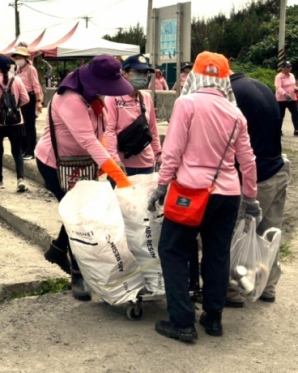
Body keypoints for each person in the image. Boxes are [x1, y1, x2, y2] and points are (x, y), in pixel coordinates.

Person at [149, 51, 259, 343]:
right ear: (225, 78)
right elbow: (247, 160)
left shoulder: (187, 104)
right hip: (228, 194)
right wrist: (251, 197)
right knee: (217, 253)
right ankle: (213, 318)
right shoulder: (236, 113)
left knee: (173, 251)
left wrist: (161, 185)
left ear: (195, 75)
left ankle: (182, 322)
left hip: (190, 191)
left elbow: (172, 150)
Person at [35, 55, 134, 301]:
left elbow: (103, 133)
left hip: (82, 163)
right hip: (55, 163)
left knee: (78, 212)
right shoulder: (70, 99)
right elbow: (87, 139)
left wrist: (108, 162)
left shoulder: (95, 98)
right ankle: (77, 273)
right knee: (78, 216)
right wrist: (118, 175)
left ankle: (57, 250)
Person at [225, 70, 289, 306]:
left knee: (237, 234)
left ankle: (232, 291)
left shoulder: (232, 95)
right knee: (269, 233)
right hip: (277, 170)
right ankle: (267, 287)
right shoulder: (260, 86)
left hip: (254, 177)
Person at [104, 54, 161, 176]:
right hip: (123, 165)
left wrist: (158, 154)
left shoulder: (146, 97)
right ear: (124, 73)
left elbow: (153, 130)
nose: (142, 76)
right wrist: (115, 160)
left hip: (146, 165)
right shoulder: (113, 98)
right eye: (137, 72)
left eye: (145, 73)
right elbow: (109, 131)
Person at [0, 55, 30, 193]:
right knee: (17, 151)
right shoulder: (17, 80)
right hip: (16, 121)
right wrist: (15, 107)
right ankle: (20, 179)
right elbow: (26, 99)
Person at [13, 47, 44, 160]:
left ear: (26, 58)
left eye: (20, 57)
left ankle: (31, 151)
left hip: (30, 98)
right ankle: (23, 149)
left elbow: (36, 85)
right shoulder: (18, 71)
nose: (18, 59)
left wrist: (39, 101)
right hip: (20, 99)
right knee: (22, 125)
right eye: (16, 57)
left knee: (30, 126)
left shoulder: (31, 69)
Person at [275, 61, 298, 136]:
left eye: (290, 67)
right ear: (283, 68)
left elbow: (292, 85)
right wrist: (285, 94)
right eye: (287, 67)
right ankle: (278, 130)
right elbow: (278, 87)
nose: (289, 68)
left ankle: (296, 129)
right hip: (282, 99)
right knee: (281, 115)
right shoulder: (279, 76)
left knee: (295, 113)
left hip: (292, 98)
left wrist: (296, 88)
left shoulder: (291, 75)